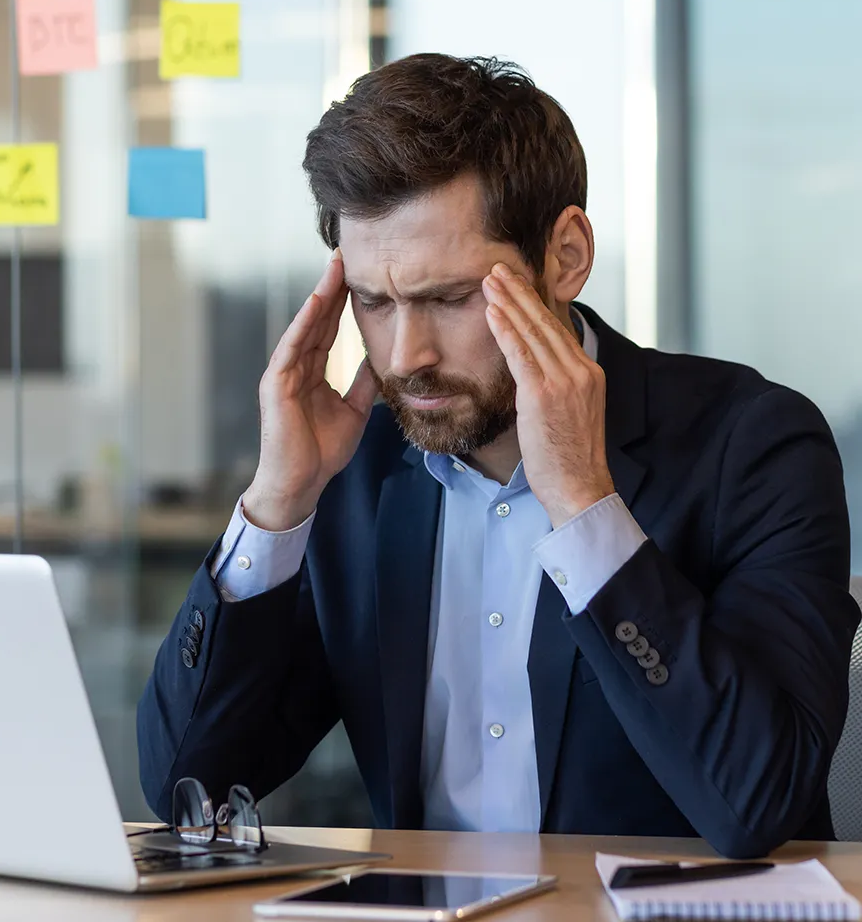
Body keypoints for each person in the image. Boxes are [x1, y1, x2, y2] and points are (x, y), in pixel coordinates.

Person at [137, 53, 859, 858]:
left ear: (566, 257)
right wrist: (277, 504)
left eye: (447, 299)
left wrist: (586, 506)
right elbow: (183, 782)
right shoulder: (354, 469)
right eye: (373, 303)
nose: (405, 356)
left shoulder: (752, 445)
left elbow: (758, 802)